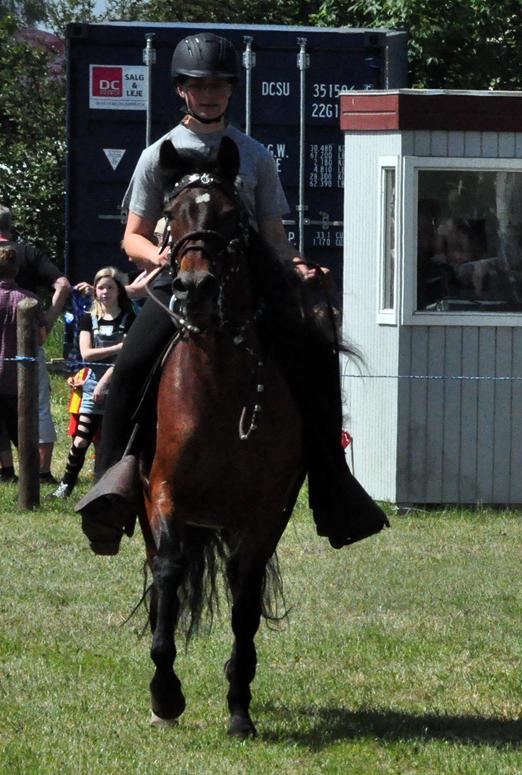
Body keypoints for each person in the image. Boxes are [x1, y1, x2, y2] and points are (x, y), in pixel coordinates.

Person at [75, 32, 387, 554]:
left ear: (231, 90)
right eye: (200, 85)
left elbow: (274, 235)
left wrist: (299, 267)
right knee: (129, 365)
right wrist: (164, 259)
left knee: (316, 355)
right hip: (180, 287)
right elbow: (131, 235)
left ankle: (333, 486)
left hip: (249, 291)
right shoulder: (158, 156)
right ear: (182, 91)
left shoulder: (255, 156)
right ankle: (111, 489)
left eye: (220, 85)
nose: (211, 94)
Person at [0, 204, 70, 484]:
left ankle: (5, 470)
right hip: (28, 350)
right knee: (39, 408)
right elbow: (63, 285)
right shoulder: (29, 253)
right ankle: (41, 471)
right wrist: (48, 322)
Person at [53, 267, 136, 498]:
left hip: (117, 387)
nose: (105, 292)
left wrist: (105, 382)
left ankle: (108, 489)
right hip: (90, 387)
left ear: (119, 290)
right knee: (80, 440)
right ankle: (66, 485)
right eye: (100, 287)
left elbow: (124, 359)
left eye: (110, 287)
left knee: (113, 442)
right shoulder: (88, 319)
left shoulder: (130, 319)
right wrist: (119, 347)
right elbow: (86, 354)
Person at [0, 246, 45, 477]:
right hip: (19, 375)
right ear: (16, 270)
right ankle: (32, 470)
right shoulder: (29, 299)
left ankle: (6, 469)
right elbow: (41, 338)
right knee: (22, 426)